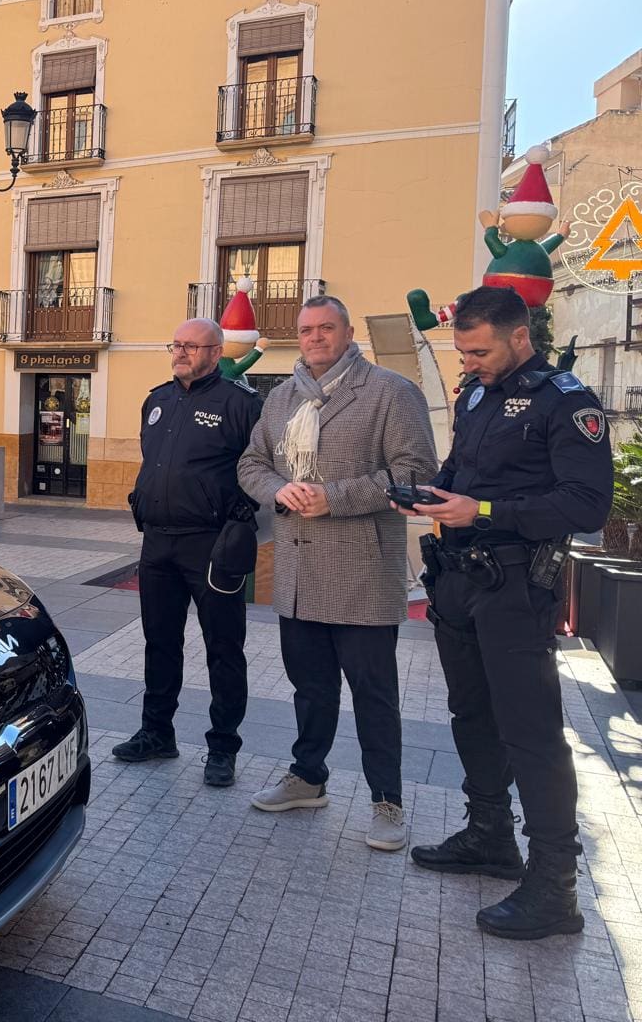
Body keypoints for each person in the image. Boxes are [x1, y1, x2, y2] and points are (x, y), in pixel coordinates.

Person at [393, 285, 612, 940]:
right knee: (472, 714)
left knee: (532, 732)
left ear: (520, 336)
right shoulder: (481, 394)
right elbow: (462, 471)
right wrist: (433, 496)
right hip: (462, 580)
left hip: (517, 586)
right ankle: (490, 835)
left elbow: (585, 506)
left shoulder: (568, 401)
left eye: (479, 351)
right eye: (462, 352)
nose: (469, 363)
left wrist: (483, 513)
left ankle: (555, 889)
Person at [237, 295, 437, 851]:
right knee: (310, 688)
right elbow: (251, 464)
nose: (315, 338)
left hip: (363, 571)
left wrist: (335, 497)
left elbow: (416, 473)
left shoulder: (391, 393)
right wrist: (280, 489)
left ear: (348, 332)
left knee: (375, 695)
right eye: (306, 330)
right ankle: (308, 778)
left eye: (327, 328)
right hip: (298, 573)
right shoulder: (280, 398)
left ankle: (387, 802)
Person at [116, 317, 262, 787]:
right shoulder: (156, 400)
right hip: (158, 542)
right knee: (160, 643)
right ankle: (157, 733)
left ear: (216, 354)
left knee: (223, 648)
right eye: (176, 344)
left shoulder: (240, 405)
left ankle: (223, 747)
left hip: (211, 545)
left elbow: (261, 468)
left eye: (191, 346)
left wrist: (237, 519)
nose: (180, 352)